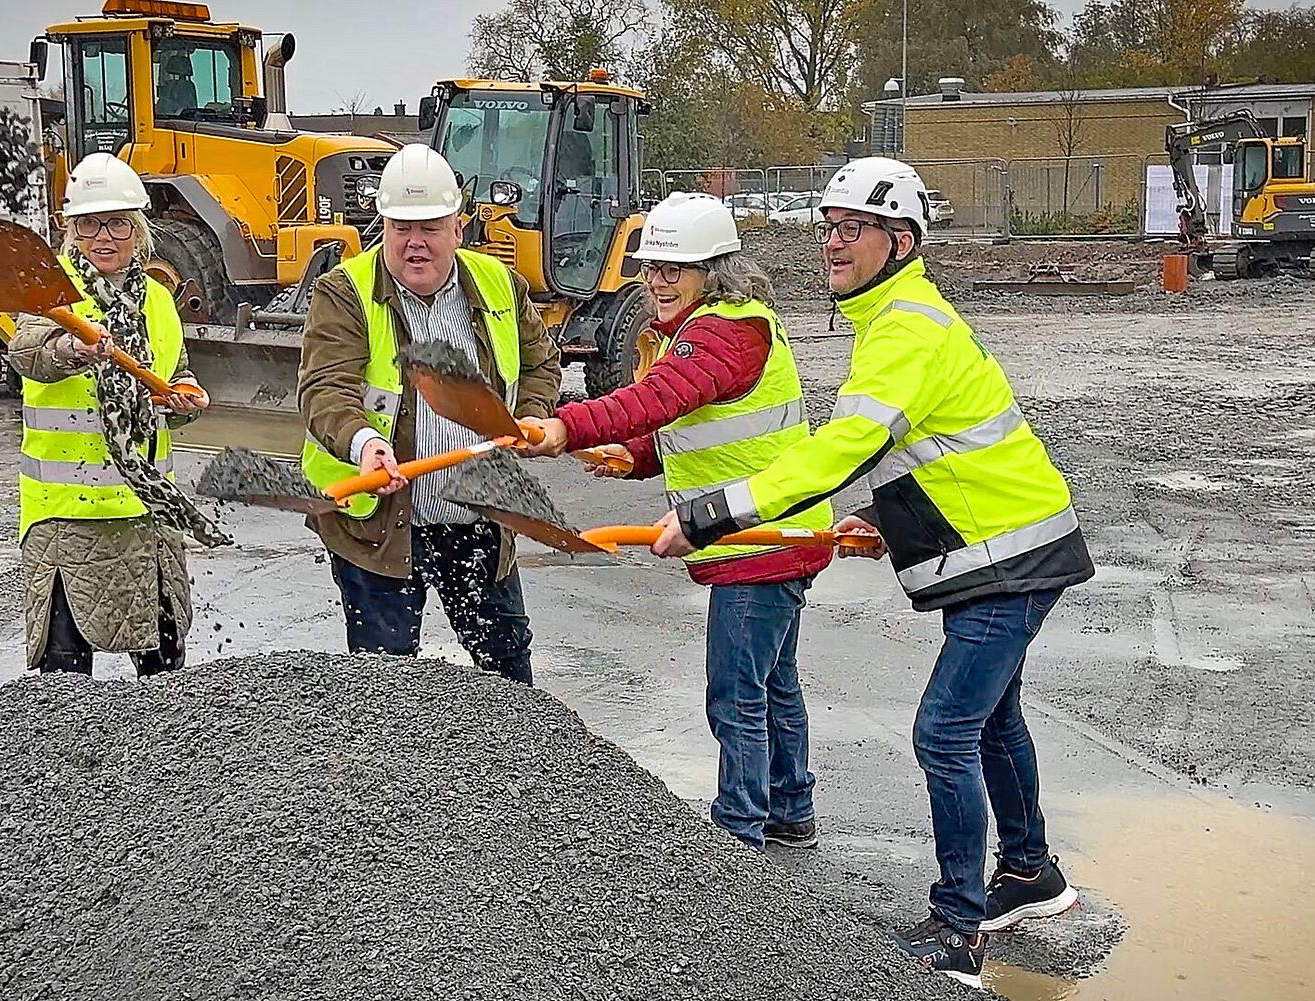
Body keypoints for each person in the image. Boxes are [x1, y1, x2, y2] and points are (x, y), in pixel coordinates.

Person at [648, 157, 1094, 989]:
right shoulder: (892, 318)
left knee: (943, 732)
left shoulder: (906, 327)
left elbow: (844, 445)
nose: (832, 243)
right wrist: (890, 518)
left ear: (901, 239)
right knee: (991, 721)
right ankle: (1031, 872)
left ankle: (957, 927)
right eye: (828, 227)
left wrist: (714, 512)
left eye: (852, 228)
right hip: (1012, 543)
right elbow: (949, 444)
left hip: (1011, 556)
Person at [519, 192, 832, 851]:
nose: (656, 281)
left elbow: (658, 398)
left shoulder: (723, 331)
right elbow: (696, 423)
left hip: (758, 538)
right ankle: (790, 807)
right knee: (773, 682)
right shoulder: (715, 326)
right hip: (773, 532)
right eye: (651, 267)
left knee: (737, 692)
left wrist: (565, 426)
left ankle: (739, 829)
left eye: (672, 269)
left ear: (712, 272)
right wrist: (632, 458)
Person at [297, 143, 561, 685]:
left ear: (457, 229)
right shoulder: (345, 292)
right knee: (385, 687)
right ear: (383, 226)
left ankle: (518, 767)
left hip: (479, 517)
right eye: (401, 228)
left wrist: (530, 418)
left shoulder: (499, 285)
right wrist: (364, 444)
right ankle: (388, 772)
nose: (415, 243)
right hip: (380, 525)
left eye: (430, 228)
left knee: (509, 674)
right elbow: (325, 388)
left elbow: (541, 363)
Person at [7, 152, 223, 677]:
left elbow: (178, 370)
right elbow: (25, 352)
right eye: (89, 225)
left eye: (118, 224)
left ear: (139, 229)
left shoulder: (158, 299)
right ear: (71, 230)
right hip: (68, 516)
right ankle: (66, 761)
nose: (105, 237)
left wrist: (185, 396)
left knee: (164, 673)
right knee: (63, 685)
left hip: (148, 510)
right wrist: (71, 351)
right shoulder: (50, 294)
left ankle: (163, 758)